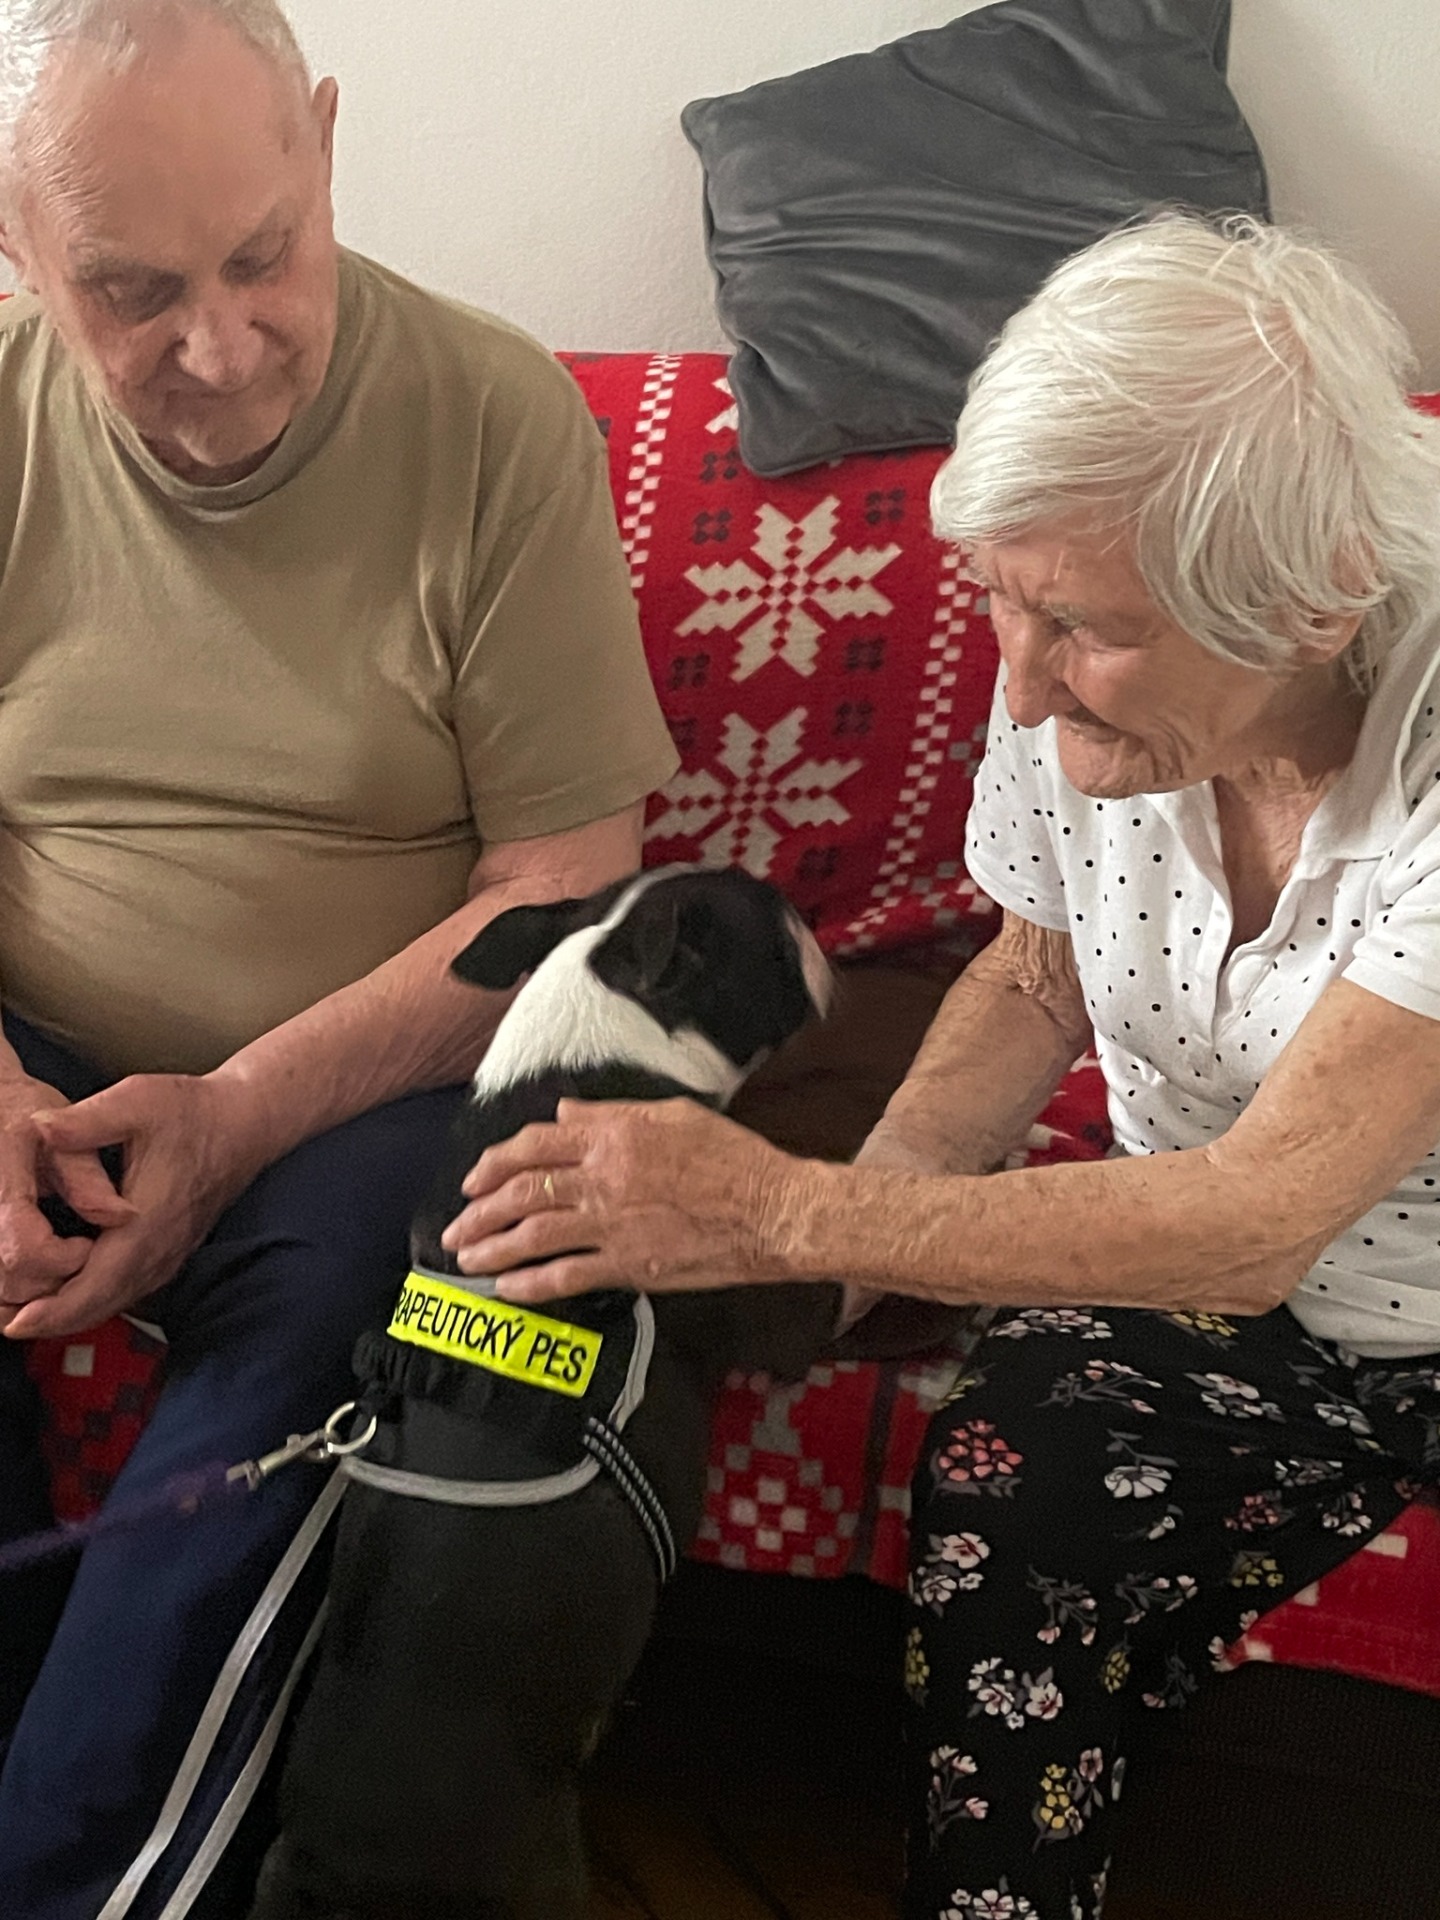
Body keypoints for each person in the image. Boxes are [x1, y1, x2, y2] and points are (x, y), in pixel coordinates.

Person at [450, 213, 1440, 1920]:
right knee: (1007, 1487)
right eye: (1001, 598)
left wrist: (785, 1213)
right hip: (1221, 1289)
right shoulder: (1070, 641)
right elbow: (1038, 966)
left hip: (1332, 1269)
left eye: (1081, 629)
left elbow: (1259, 1218)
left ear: (1313, 606)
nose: (1022, 684)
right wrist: (875, 1213)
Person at [0, 2, 680, 1914]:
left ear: (322, 140)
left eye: (261, 256)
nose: (218, 349)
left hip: (364, 1097)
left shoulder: (491, 418)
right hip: (34, 1048)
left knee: (367, 1319)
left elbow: (563, 886)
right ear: (13, 239)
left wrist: (232, 1113)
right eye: (133, 290)